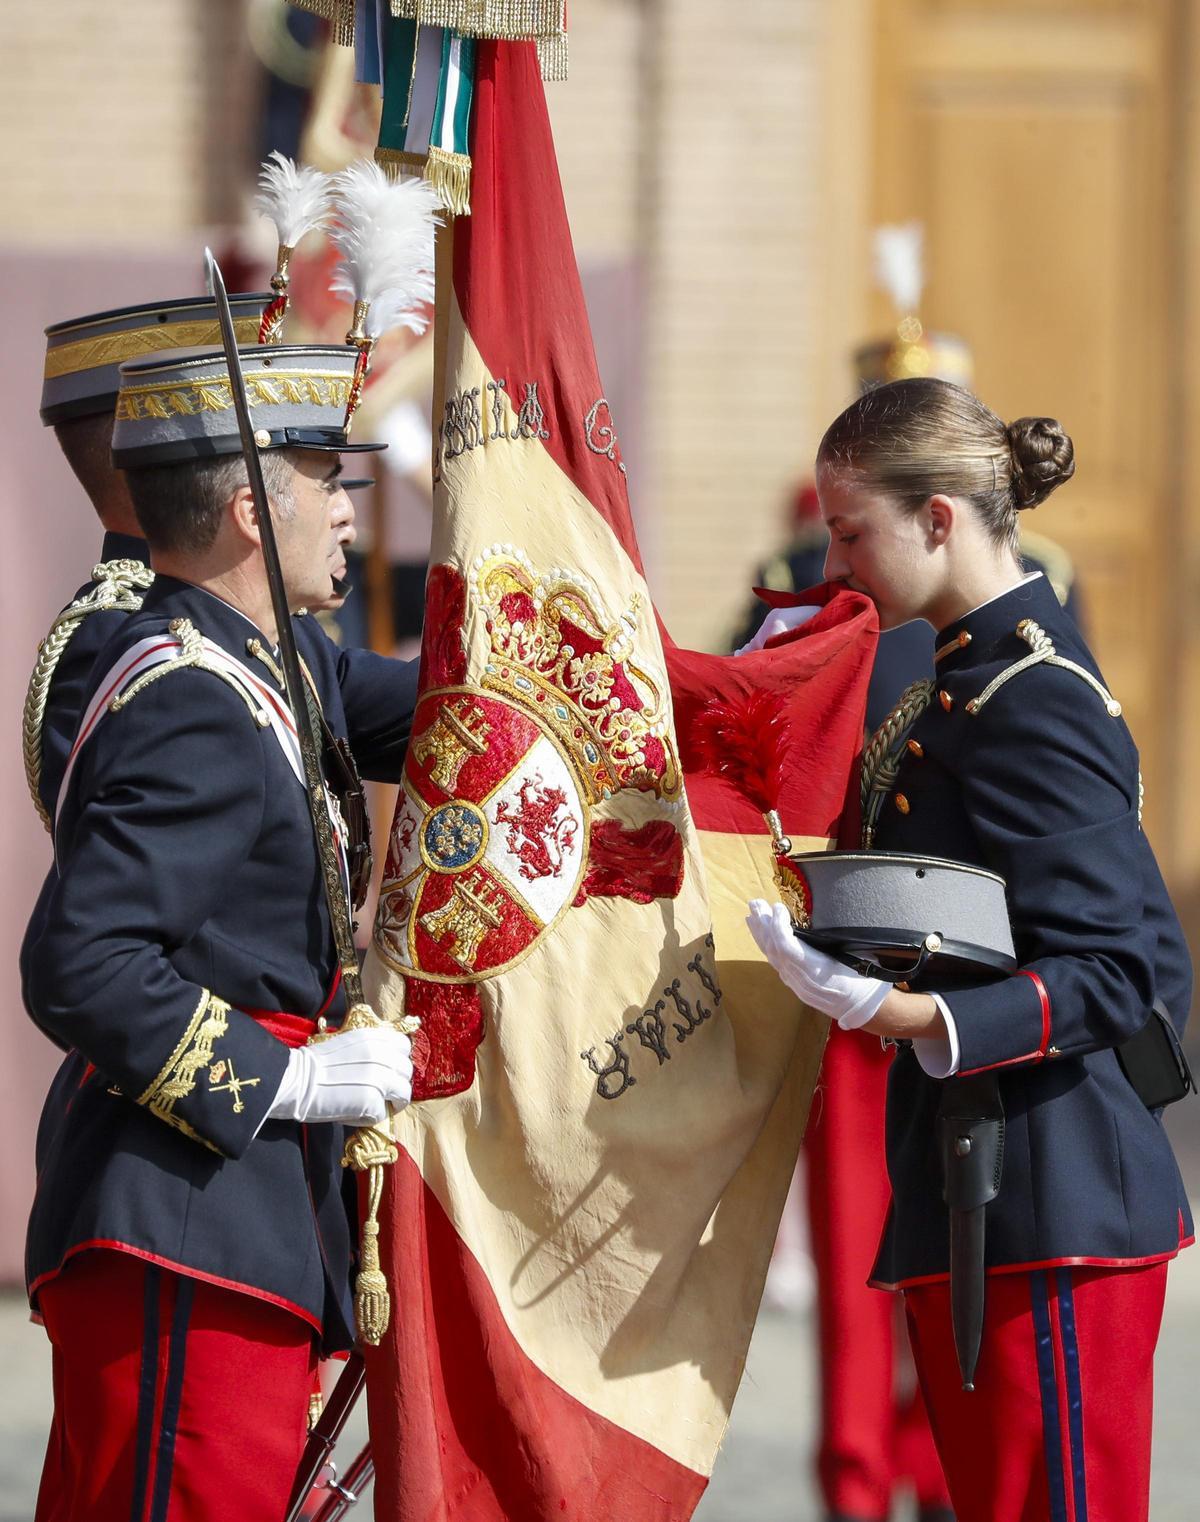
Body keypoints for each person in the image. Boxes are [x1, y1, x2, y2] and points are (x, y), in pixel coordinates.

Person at [746, 376, 1192, 1522]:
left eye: (854, 534)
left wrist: (908, 1018)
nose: (837, 564)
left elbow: (1121, 966)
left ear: (938, 518)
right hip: (982, 1184)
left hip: (1054, 1198)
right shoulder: (952, 681)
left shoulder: (1030, 695)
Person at [25, 342, 420, 1522]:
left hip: (235, 1208)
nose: (352, 515)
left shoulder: (276, 656)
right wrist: (288, 1079)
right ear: (255, 507)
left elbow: (457, 704)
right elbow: (78, 960)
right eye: (328, 483)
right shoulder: (192, 694)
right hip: (181, 1213)